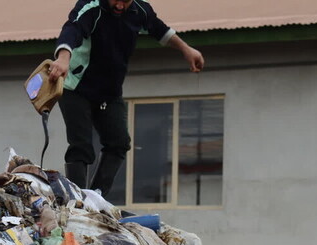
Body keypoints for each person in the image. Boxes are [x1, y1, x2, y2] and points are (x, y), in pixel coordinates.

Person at [48, 0, 205, 196]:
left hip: (109, 92)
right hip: (76, 86)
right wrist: (63, 58)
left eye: (126, 1)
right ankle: (76, 200)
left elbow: (160, 30)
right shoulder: (91, 7)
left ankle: (96, 197)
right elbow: (72, 29)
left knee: (119, 142)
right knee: (81, 146)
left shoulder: (140, 10)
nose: (120, 6)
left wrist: (186, 49)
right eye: (116, 0)